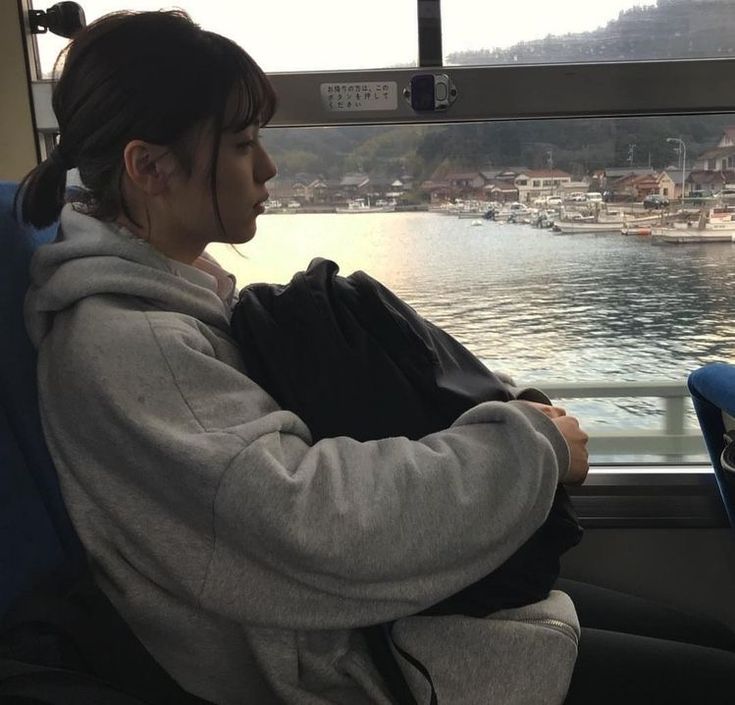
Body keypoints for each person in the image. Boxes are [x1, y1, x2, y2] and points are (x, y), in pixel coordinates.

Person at [16, 9, 735, 705]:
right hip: (342, 665)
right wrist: (530, 444)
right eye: (240, 145)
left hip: (362, 627)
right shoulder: (130, 346)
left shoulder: (173, 303)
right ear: (150, 167)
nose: (267, 167)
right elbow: (313, 520)